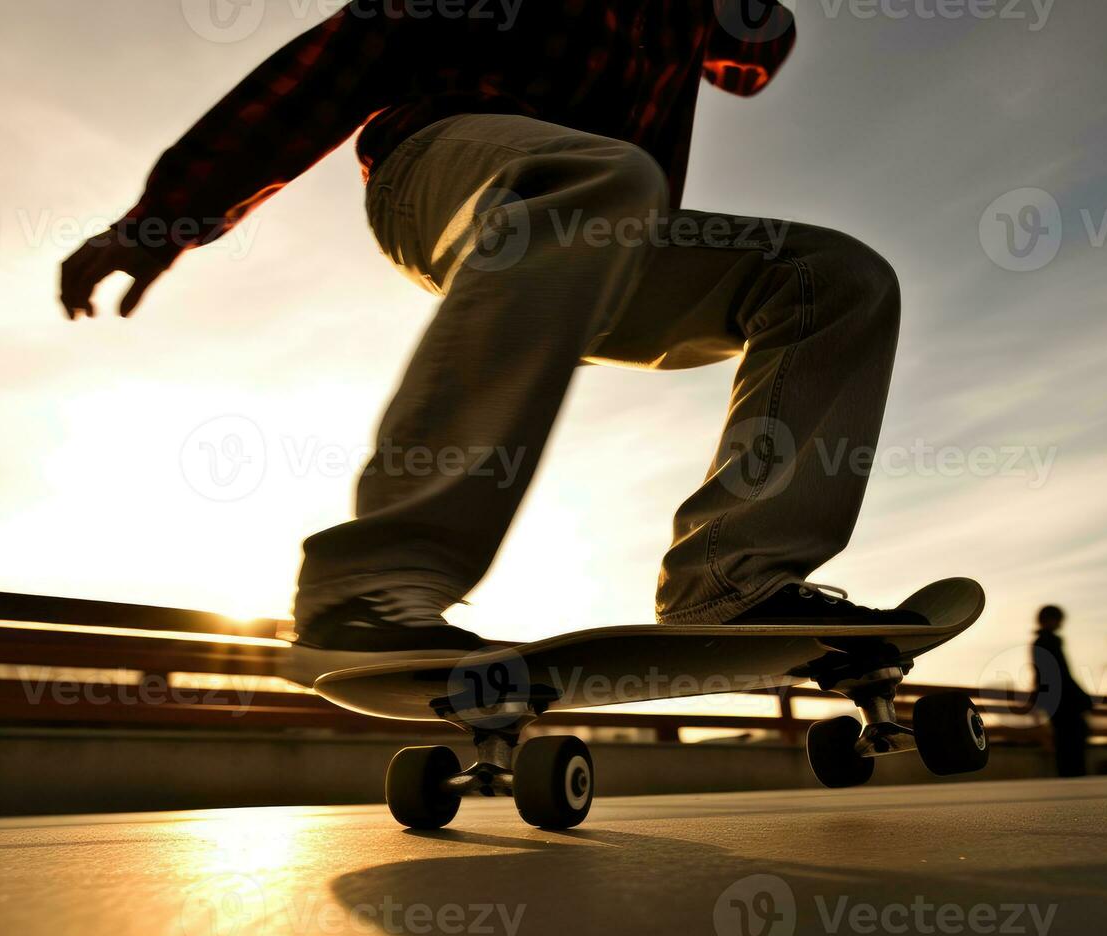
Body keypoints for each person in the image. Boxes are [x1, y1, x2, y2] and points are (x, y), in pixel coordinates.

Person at [59, 1, 925, 680]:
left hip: (606, 236)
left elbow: (756, 52)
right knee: (601, 174)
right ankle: (370, 582)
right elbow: (338, 61)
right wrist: (167, 214)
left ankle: (736, 579)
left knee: (835, 277)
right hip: (439, 174)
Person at [1031, 605, 1094, 777]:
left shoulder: (1040, 642)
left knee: (1064, 740)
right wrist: (1083, 699)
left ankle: (1069, 776)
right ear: (1053, 620)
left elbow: (1042, 674)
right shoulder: (1050, 641)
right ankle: (1075, 776)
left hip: (1054, 699)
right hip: (1065, 700)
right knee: (1073, 739)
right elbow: (1061, 673)